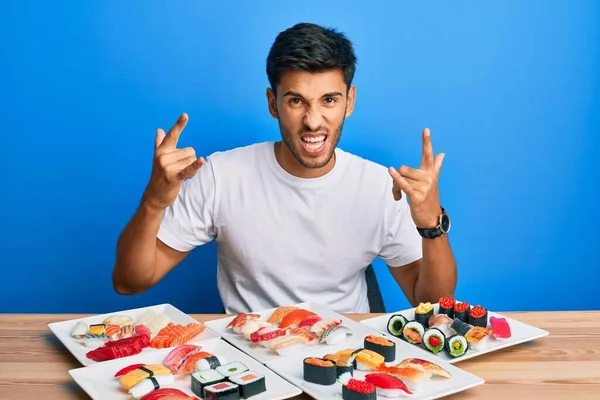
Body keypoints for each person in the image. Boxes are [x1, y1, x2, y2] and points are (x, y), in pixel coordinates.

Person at [112, 22, 457, 314]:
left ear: (349, 102)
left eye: (329, 100)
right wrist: (153, 203)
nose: (313, 121)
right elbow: (130, 282)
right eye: (296, 101)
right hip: (250, 365)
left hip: (347, 365)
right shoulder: (221, 176)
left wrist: (431, 226)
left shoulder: (381, 186)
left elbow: (430, 302)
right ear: (272, 103)